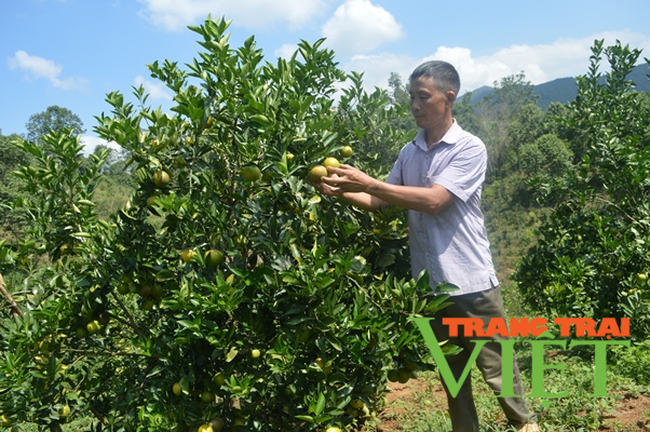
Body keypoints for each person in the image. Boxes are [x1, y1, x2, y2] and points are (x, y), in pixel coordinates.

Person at [314, 60, 539, 432]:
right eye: (411, 97)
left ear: (447, 98)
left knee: (497, 368)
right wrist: (342, 191)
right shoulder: (410, 152)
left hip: (470, 282)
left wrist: (369, 183)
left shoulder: (468, 147)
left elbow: (435, 200)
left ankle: (524, 425)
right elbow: (382, 202)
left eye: (423, 97)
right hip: (429, 287)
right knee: (452, 375)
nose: (414, 105)